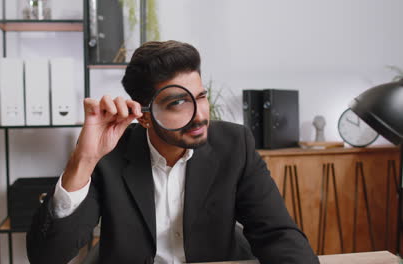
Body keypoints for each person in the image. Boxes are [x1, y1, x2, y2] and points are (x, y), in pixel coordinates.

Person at [26, 40, 319, 264]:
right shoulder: (109, 155)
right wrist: (84, 159)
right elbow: (46, 257)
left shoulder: (234, 144)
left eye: (201, 97)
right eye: (178, 103)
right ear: (143, 116)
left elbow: (277, 234)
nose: (200, 116)